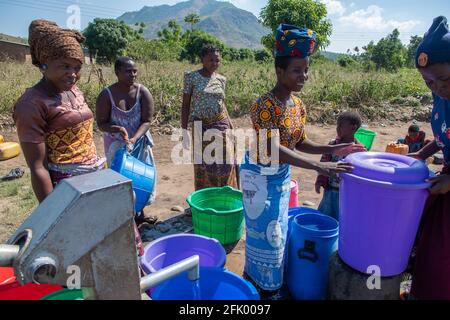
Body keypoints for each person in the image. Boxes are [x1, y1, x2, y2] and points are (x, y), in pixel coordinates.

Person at [239, 24, 358, 300]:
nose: (303, 75)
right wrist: (320, 166)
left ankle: (270, 282)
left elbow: (299, 142)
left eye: (306, 69)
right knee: (265, 235)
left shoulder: (297, 105)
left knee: (277, 231)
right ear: (279, 71)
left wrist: (337, 147)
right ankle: (261, 285)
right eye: (296, 70)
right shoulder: (265, 105)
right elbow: (272, 149)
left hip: (280, 176)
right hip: (259, 176)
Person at [13, 19, 105, 201]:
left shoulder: (74, 91)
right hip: (67, 187)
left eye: (77, 67)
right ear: (45, 63)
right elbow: (38, 167)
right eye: (65, 66)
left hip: (95, 175)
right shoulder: (31, 104)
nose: (73, 74)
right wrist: (51, 211)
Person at [408, 16, 450, 300]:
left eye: (443, 79)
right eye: (428, 82)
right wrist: (421, 154)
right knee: (427, 249)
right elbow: (445, 134)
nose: (436, 87)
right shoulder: (441, 97)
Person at [96, 57, 157, 225]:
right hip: (116, 145)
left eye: (135, 71)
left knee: (141, 180)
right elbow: (101, 123)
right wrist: (118, 130)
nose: (133, 74)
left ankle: (140, 214)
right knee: (121, 181)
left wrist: (134, 139)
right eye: (128, 71)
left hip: (139, 142)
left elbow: (147, 120)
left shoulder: (142, 92)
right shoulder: (106, 95)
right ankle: (126, 219)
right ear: (117, 73)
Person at [181, 44, 238, 191]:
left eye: (217, 60)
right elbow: (186, 104)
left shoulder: (221, 79)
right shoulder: (191, 77)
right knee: (204, 166)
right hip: (200, 125)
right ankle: (206, 200)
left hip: (220, 123)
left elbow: (222, 103)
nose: (214, 63)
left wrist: (230, 125)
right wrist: (184, 130)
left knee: (227, 162)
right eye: (211, 60)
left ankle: (226, 197)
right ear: (202, 60)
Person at [315, 111, 366, 220]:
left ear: (353, 128)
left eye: (341, 125)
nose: (337, 128)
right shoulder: (332, 144)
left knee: (343, 218)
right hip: (329, 190)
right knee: (325, 216)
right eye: (337, 125)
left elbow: (361, 173)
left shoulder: (360, 151)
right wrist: (319, 180)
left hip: (346, 194)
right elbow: (323, 163)